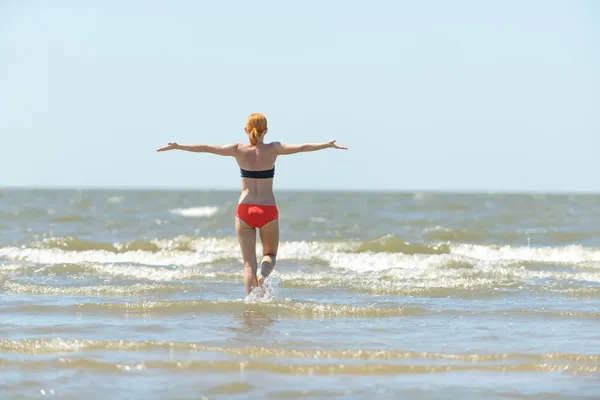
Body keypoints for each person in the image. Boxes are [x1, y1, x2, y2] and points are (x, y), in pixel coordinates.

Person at [157, 113, 347, 294]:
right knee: (270, 255)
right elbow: (303, 147)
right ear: (266, 130)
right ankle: (263, 277)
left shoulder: (238, 150)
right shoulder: (274, 148)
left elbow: (207, 148)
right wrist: (327, 145)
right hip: (268, 209)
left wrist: (178, 146)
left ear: (246, 130)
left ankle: (252, 303)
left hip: (245, 209)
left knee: (248, 265)